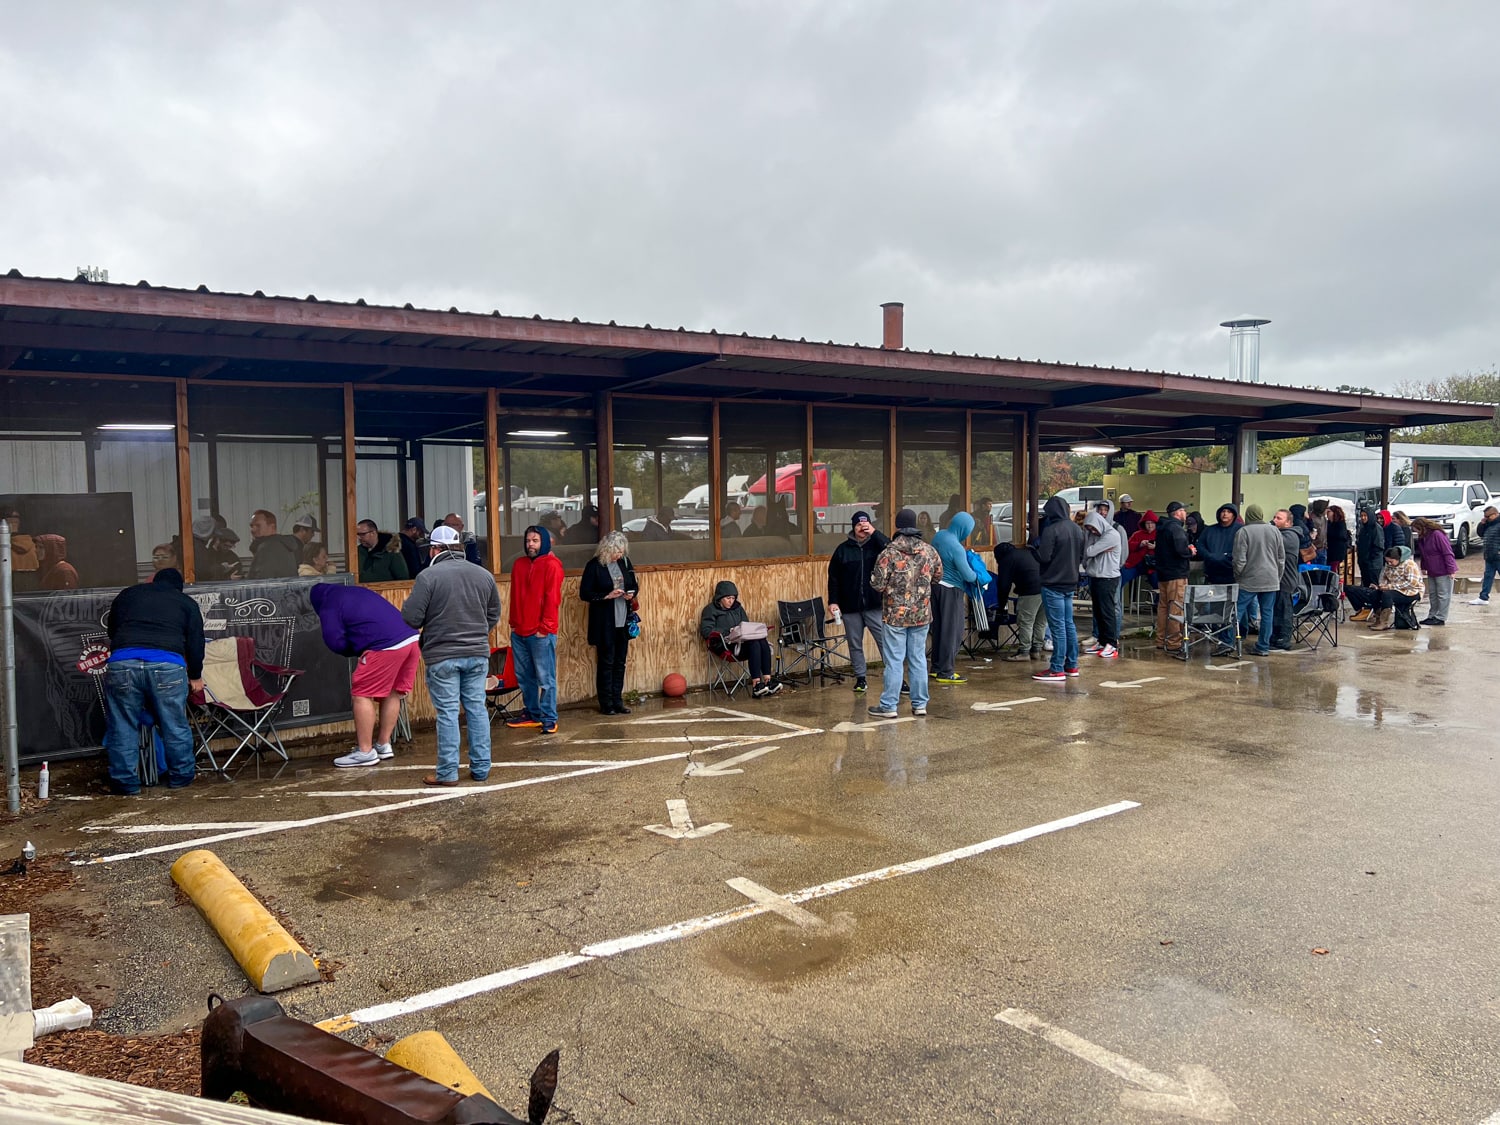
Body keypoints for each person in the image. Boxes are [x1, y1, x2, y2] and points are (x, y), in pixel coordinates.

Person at [401, 524, 502, 785]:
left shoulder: (428, 577)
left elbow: (412, 618)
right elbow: (493, 615)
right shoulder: (483, 575)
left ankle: (447, 772)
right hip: (477, 653)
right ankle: (481, 769)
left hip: (442, 654)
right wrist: (477, 632)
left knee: (447, 713)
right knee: (476, 709)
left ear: (435, 549)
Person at [101, 568, 204, 794]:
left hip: (123, 662)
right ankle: (181, 777)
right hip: (166, 664)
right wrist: (195, 675)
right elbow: (196, 643)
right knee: (174, 723)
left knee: (122, 725)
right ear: (179, 587)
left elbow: (112, 631)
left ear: (153, 582)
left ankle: (125, 783)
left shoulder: (128, 594)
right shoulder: (185, 602)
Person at [310, 583, 420, 768]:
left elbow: (334, 640)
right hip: (411, 639)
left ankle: (365, 751)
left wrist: (354, 649)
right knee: (394, 692)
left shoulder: (328, 602)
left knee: (362, 694)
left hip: (385, 646)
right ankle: (384, 745)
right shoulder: (356, 591)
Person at [868, 508, 942, 714]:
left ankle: (889, 705)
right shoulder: (929, 551)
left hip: (894, 615)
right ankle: (920, 705)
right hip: (921, 614)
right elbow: (938, 576)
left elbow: (877, 584)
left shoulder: (888, 553)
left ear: (898, 527)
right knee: (918, 659)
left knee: (894, 660)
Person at [507, 524, 565, 734]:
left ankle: (549, 718)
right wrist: (513, 623)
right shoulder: (519, 564)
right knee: (525, 676)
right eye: (528, 540)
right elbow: (514, 596)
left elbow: (553, 599)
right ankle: (532, 713)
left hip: (540, 632)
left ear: (545, 542)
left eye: (535, 541)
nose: (530, 544)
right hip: (520, 629)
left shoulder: (552, 565)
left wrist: (546, 627)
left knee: (545, 678)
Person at [826, 510, 889, 694]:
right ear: (853, 527)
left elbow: (891, 550)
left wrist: (874, 533)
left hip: (874, 604)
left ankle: (895, 677)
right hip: (850, 607)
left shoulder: (877, 546)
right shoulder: (842, 550)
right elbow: (834, 578)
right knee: (855, 644)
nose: (863, 528)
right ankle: (861, 678)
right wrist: (833, 601)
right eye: (859, 525)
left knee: (884, 642)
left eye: (866, 525)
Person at [580, 531, 639, 714]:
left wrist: (631, 593)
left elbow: (634, 584)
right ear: (607, 550)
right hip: (605, 621)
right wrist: (606, 596)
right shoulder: (594, 566)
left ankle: (617, 700)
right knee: (606, 662)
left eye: (621, 552)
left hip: (623, 618)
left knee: (620, 662)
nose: (619, 555)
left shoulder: (624, 563)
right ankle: (606, 703)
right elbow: (585, 593)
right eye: (616, 552)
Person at [1032, 495, 1084, 682]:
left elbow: (1044, 557)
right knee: (1068, 624)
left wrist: (1033, 551)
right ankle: (1072, 664)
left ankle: (1056, 668)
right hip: (1070, 582)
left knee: (1057, 627)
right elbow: (1082, 556)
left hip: (1052, 582)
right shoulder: (1077, 530)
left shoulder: (1051, 530)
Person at [699, 580, 780, 697]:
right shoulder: (710, 610)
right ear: (720, 598)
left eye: (733, 598)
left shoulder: (738, 608)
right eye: (728, 598)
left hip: (741, 642)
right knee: (754, 645)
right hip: (725, 645)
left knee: (762, 641)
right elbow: (706, 631)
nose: (731, 601)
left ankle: (767, 681)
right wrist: (728, 631)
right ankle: (756, 684)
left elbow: (745, 625)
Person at [929, 510, 977, 685]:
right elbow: (968, 575)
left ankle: (936, 667)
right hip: (952, 590)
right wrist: (979, 575)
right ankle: (946, 671)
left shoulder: (940, 536)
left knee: (940, 629)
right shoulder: (956, 547)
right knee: (953, 631)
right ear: (964, 529)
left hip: (935, 587)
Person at [1232, 505, 1282, 657]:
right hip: (1271, 578)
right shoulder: (1275, 531)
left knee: (1237, 611)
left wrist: (1238, 576)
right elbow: (1281, 558)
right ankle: (1263, 647)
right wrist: (1277, 577)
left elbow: (1239, 559)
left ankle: (1228, 642)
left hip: (1249, 580)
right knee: (1267, 613)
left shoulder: (1243, 532)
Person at [1082, 499, 1123, 659]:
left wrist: (1095, 549)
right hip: (1095, 576)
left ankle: (1111, 644)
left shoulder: (1112, 535)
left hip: (1108, 578)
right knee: (1098, 612)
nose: (1092, 532)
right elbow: (1088, 551)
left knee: (1107, 611)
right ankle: (1101, 641)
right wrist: (1097, 550)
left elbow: (1090, 551)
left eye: (1093, 528)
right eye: (1089, 529)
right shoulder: (1096, 535)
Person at [1346, 546, 1422, 629]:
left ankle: (1384, 622)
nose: (1389, 563)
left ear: (1398, 559)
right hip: (1394, 590)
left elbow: (1412, 583)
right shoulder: (1389, 565)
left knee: (1387, 595)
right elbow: (1385, 578)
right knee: (1375, 594)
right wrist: (1381, 586)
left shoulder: (1410, 565)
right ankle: (1378, 620)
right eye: (1387, 561)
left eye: (1391, 561)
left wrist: (1390, 587)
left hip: (1411, 592)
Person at [1155, 502, 1196, 655]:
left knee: (1163, 608)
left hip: (1163, 574)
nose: (1185, 513)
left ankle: (1161, 639)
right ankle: (1174, 642)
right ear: (1178, 513)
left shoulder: (1162, 527)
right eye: (1184, 510)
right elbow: (1180, 550)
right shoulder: (1176, 528)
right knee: (1176, 608)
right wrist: (1190, 551)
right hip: (1177, 574)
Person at [993, 539, 1043, 661]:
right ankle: (1036, 650)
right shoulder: (1027, 552)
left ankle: (1024, 652)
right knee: (1040, 622)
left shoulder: (1007, 559)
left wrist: (1002, 605)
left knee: (1026, 621)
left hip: (1030, 592)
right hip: (1046, 589)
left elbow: (1004, 585)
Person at [1411, 517, 1457, 625]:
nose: (1416, 532)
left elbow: (1447, 552)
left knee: (1443, 594)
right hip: (1432, 569)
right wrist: (1423, 567)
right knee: (1433, 594)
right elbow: (1423, 554)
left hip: (1443, 569)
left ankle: (1441, 617)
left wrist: (1451, 569)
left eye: (1416, 529)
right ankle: (1432, 615)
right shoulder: (1423, 537)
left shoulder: (1437, 534)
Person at [1270, 509, 1301, 650]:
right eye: (1274, 517)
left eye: (1279, 518)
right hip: (1276, 580)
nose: (1275, 520)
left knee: (1284, 611)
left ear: (1288, 522)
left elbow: (1274, 543)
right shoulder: (1279, 533)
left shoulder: (1290, 536)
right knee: (1276, 610)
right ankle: (1275, 637)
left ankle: (1284, 639)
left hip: (1286, 580)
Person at [1197, 504, 1242, 586]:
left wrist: (1227, 557)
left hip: (1232, 574)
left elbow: (1243, 548)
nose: (1225, 514)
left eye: (1229, 512)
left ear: (1234, 515)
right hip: (1212, 574)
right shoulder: (1209, 530)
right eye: (1223, 511)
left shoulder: (1240, 530)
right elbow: (1200, 545)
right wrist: (1208, 556)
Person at [248, 510, 300, 578]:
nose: (253, 530)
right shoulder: (285, 546)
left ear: (272, 527)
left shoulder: (266, 548)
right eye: (251, 526)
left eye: (258, 526)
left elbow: (262, 582)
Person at [1468, 506, 1500, 605]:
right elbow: (1480, 534)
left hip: (1498, 556)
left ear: (1495, 514)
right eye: (1485, 516)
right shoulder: (1488, 524)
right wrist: (1482, 524)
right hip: (1489, 556)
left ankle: (1483, 596)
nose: (1486, 518)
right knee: (1488, 577)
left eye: (1488, 516)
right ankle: (1483, 597)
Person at [1122, 510, 1158, 591]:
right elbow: (1127, 547)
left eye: (1152, 523)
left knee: (1160, 584)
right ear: (1144, 524)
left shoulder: (1161, 534)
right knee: (1121, 576)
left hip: (1154, 566)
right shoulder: (1137, 534)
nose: (1150, 525)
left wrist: (1156, 547)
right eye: (1147, 523)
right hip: (1135, 564)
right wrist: (1140, 544)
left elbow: (1167, 549)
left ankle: (1158, 602)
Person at [1356, 505, 1386, 587]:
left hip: (1373, 564)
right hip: (1364, 562)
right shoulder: (1363, 528)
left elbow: (1378, 546)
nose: (1363, 518)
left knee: (1373, 585)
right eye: (1361, 516)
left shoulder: (1376, 528)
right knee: (1366, 584)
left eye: (1365, 516)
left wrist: (1370, 559)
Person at [1325, 504, 1351, 579]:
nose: (1327, 514)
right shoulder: (1329, 523)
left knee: (1333, 569)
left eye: (1329, 512)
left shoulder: (1340, 523)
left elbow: (1340, 535)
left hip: (1336, 552)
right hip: (1331, 551)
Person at [1307, 500, 1330, 566]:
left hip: (1323, 548)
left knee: (1323, 571)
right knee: (1314, 570)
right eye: (1326, 508)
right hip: (1314, 549)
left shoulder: (1324, 518)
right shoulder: (1311, 519)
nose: (1327, 510)